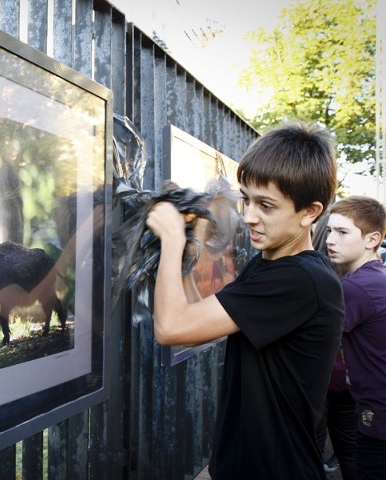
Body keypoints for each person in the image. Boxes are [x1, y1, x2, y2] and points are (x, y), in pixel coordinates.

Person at [146, 121, 344, 479]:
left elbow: (171, 328)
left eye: (266, 206)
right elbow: (198, 321)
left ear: (310, 212)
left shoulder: (298, 280)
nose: (249, 216)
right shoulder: (269, 264)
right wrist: (191, 247)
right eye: (246, 199)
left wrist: (172, 240)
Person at [326, 195, 386, 480]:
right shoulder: (377, 277)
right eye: (329, 230)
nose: (330, 240)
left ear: (372, 239)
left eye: (342, 232)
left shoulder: (356, 287)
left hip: (378, 416)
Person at [313, 213, 357, 480]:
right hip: (348, 379)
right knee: (349, 448)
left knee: (312, 446)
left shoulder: (313, 275)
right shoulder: (358, 276)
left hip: (319, 379)